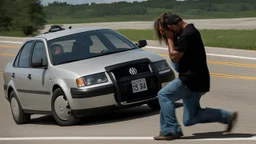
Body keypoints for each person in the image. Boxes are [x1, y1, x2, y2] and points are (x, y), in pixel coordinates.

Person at [153, 13, 238, 141]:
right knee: (189, 119)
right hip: (199, 81)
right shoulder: (187, 32)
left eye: (164, 32)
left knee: (164, 95)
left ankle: (170, 130)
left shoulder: (187, 35)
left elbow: (174, 57)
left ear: (171, 27)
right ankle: (226, 117)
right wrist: (171, 35)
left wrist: (170, 39)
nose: (164, 35)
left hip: (190, 80)